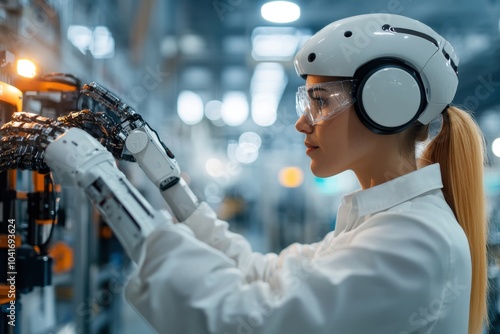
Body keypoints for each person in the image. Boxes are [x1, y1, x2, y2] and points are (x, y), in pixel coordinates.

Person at [125, 13, 488, 334]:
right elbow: (264, 275)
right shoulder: (379, 222)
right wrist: (173, 190)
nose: (302, 123)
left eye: (320, 102)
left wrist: (117, 201)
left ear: (386, 102)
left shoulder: (412, 241)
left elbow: (250, 322)